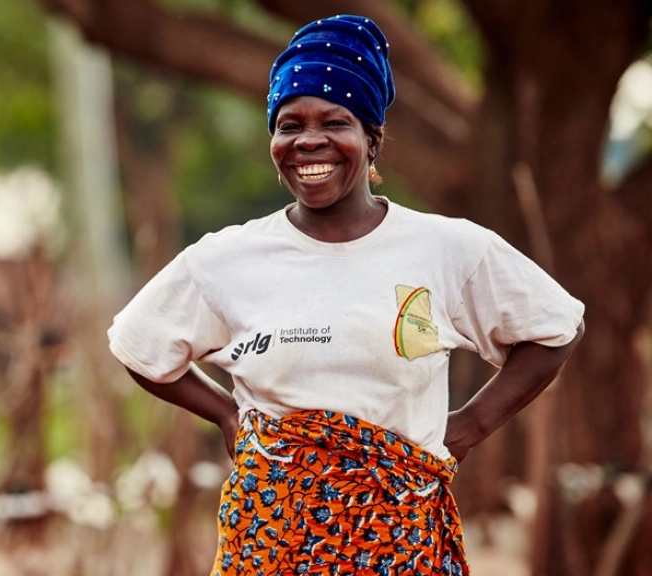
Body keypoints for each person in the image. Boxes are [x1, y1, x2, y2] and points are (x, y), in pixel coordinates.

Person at [107, 14, 584, 576]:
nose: (308, 140)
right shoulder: (227, 258)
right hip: (271, 540)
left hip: (400, 537)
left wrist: (471, 426)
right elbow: (139, 344)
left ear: (372, 139)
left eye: (334, 122)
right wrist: (226, 414)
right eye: (289, 125)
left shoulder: (446, 248)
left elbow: (556, 327)